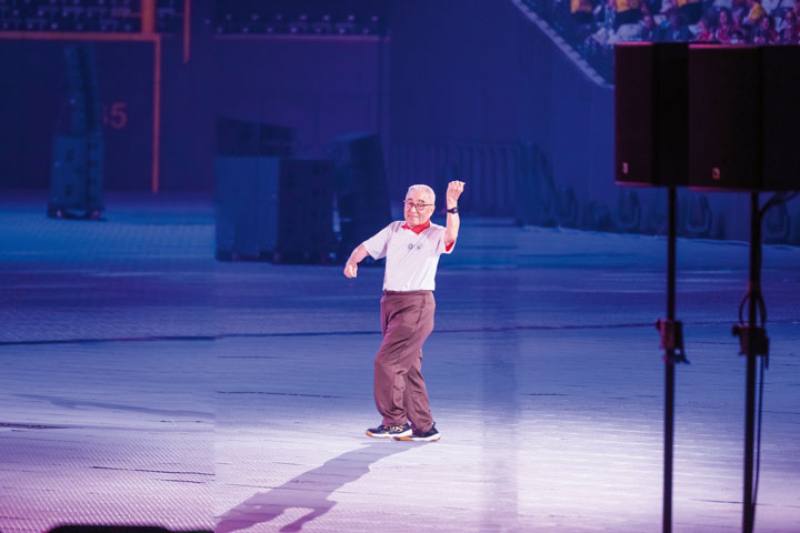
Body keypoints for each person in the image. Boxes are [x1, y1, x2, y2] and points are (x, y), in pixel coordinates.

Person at [342, 180, 465, 442]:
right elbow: (367, 247)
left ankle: (395, 422)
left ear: (432, 208)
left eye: (421, 204)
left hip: (416, 305)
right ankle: (424, 426)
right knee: (407, 367)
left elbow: (452, 235)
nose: (414, 209)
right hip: (390, 303)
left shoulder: (435, 234)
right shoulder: (395, 229)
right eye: (410, 203)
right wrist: (353, 260)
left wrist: (452, 205)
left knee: (386, 362)